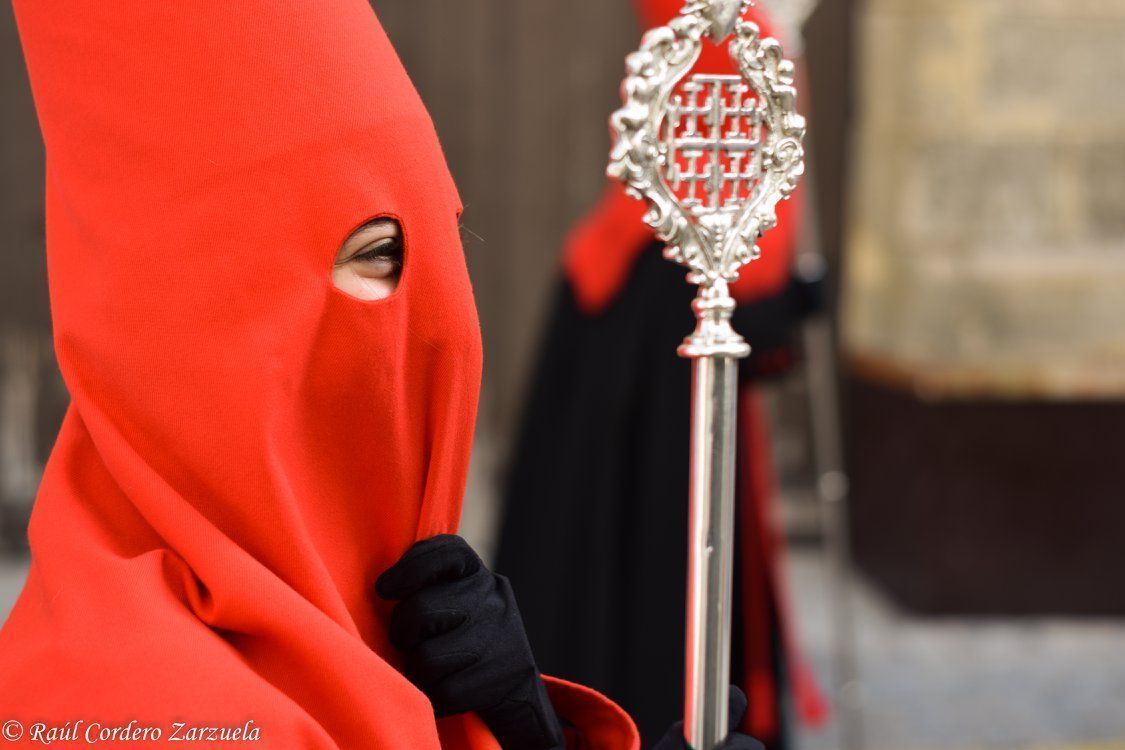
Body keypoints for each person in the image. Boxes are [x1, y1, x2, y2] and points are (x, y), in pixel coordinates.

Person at [0, 0, 767, 748]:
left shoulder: (369, 625)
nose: (439, 312)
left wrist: (526, 726)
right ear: (216, 301)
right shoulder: (146, 715)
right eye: (380, 252)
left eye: (443, 242)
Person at [495, 1, 829, 747]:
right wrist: (777, 298)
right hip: (668, 298)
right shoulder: (733, 25)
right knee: (660, 529)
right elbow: (727, 174)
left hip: (649, 292)